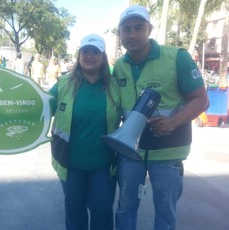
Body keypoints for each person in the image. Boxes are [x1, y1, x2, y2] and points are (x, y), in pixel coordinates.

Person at [113, 5, 209, 230]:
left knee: (166, 215)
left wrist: (173, 122)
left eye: (138, 28)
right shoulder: (119, 65)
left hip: (168, 152)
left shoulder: (177, 58)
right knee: (125, 209)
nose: (132, 34)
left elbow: (201, 100)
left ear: (150, 29)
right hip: (130, 153)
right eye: (126, 30)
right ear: (120, 34)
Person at [49, 33, 122, 230]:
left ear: (103, 57)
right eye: (85, 52)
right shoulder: (64, 84)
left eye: (95, 52)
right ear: (79, 56)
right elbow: (41, 108)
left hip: (103, 165)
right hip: (70, 163)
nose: (89, 56)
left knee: (102, 211)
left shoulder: (115, 86)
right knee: (74, 209)